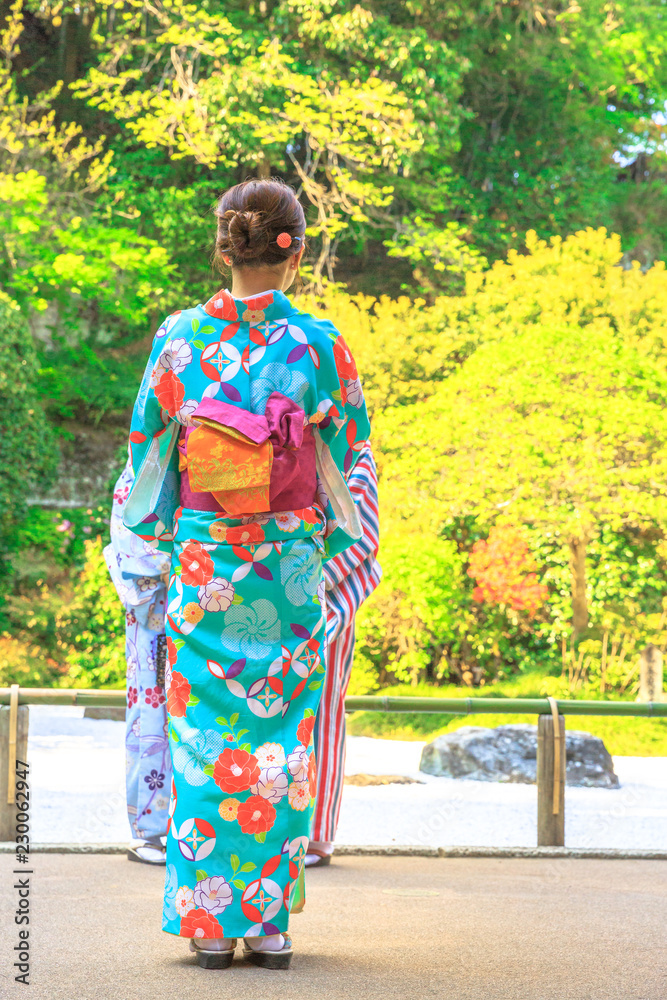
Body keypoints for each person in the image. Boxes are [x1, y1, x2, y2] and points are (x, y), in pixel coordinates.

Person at [121, 178, 370, 970]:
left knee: (201, 740)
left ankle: (208, 925)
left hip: (206, 561)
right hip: (287, 568)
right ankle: (267, 925)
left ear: (226, 246)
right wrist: (323, 546)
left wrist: (166, 537)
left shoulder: (179, 340)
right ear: (292, 251)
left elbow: (146, 453)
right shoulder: (320, 346)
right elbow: (350, 456)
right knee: (279, 743)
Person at [307, 444, 380, 866]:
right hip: (271, 577)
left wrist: (307, 578)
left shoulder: (354, 451)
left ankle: (316, 833)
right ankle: (275, 829)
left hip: (327, 590)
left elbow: (359, 531)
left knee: (324, 709)